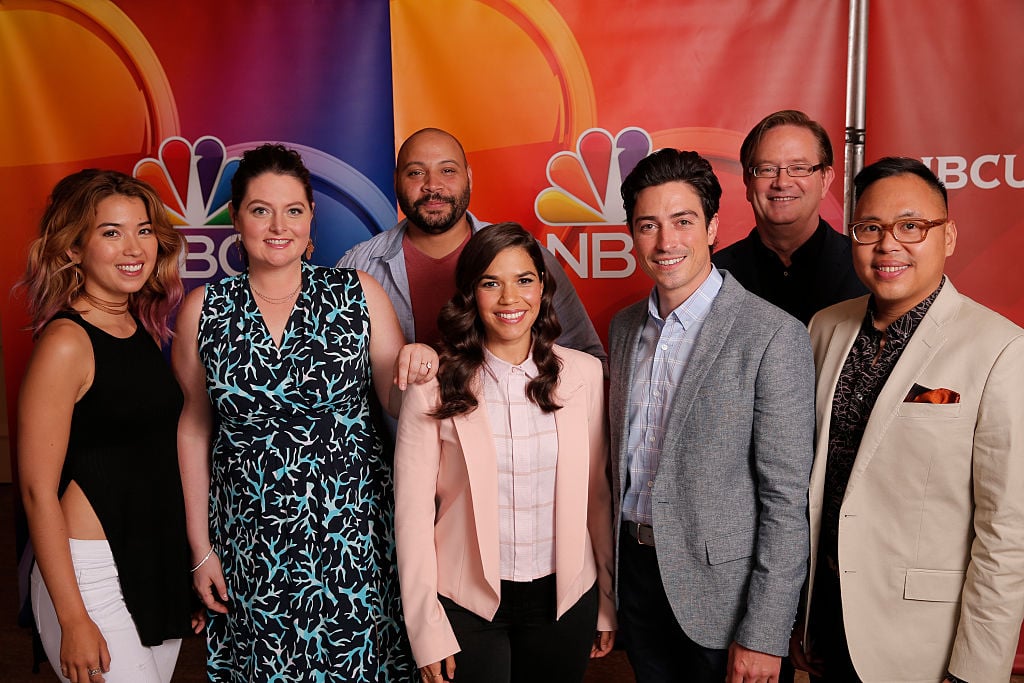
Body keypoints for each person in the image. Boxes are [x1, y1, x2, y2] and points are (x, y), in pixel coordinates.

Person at [173, 144, 437, 682]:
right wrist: (201, 551)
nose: (278, 225)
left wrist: (419, 361)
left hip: (352, 539)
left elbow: (394, 398)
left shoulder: (356, 294)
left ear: (311, 215)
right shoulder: (205, 308)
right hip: (251, 541)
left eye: (293, 210)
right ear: (236, 218)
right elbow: (196, 426)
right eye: (260, 209)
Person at [796, 157, 1024, 682]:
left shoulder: (999, 349)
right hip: (828, 622)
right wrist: (801, 618)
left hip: (923, 643)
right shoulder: (825, 327)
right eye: (869, 228)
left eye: (911, 226)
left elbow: (1006, 531)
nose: (888, 244)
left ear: (948, 237)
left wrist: (975, 670)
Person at [609, 149, 815, 683]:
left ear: (713, 227)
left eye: (683, 221)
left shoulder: (772, 336)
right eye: (648, 225)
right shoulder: (624, 328)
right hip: (637, 581)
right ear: (632, 234)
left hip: (725, 603)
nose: (666, 242)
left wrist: (766, 631)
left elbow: (786, 501)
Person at [394, 222, 616, 683]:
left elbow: (597, 496)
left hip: (567, 598)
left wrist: (607, 602)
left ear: (543, 287)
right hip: (464, 602)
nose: (509, 298)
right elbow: (412, 515)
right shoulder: (432, 386)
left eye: (524, 280)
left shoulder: (586, 375)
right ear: (471, 294)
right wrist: (425, 627)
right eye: (490, 282)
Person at [17, 169, 194, 683]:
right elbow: (35, 491)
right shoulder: (66, 343)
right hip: (88, 570)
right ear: (73, 249)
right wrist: (73, 617)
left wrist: (175, 579)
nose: (134, 246)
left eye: (142, 229)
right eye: (110, 232)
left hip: (148, 559)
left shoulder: (134, 325)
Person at [336, 127, 606, 361]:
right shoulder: (357, 268)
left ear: (469, 177)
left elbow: (586, 357)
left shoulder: (526, 256)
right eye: (416, 173)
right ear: (396, 181)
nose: (433, 186)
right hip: (398, 420)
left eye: (448, 170)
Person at [713, 110, 866, 324]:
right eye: (767, 169)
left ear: (825, 179)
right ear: (748, 183)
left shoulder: (865, 267)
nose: (782, 182)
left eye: (799, 168)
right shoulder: (714, 278)